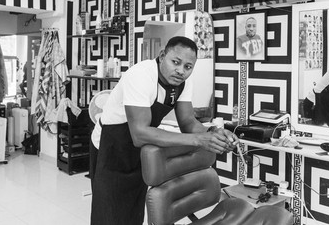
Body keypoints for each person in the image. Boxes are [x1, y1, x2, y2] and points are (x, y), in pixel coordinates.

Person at [91, 36, 239, 225]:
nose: (181, 71)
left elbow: (187, 121)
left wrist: (212, 134)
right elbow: (140, 133)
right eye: (175, 62)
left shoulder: (183, 83)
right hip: (111, 146)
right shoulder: (140, 75)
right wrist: (199, 140)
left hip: (141, 149)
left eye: (188, 66)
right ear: (162, 56)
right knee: (109, 212)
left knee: (132, 211)